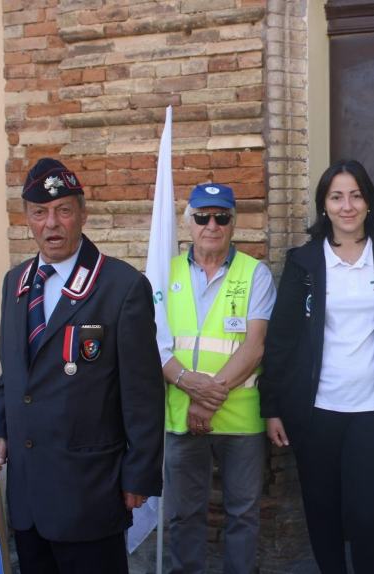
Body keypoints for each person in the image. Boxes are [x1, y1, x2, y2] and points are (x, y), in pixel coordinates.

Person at [0, 157, 164, 574]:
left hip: (90, 491)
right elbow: (15, 375)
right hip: (28, 492)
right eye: (40, 213)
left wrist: (139, 476)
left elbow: (143, 393)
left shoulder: (122, 287)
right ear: (28, 219)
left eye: (63, 211)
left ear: (82, 215)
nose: (51, 224)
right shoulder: (15, 284)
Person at [259, 159, 374, 573]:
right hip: (316, 412)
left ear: (369, 203)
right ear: (324, 206)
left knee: (368, 514)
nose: (346, 205)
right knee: (322, 510)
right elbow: (281, 338)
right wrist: (272, 406)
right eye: (336, 197)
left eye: (355, 195)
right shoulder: (304, 262)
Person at [158, 183, 276, 574]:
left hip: (239, 421)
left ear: (233, 222)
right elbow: (151, 345)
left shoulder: (254, 273)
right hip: (179, 418)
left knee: (242, 516)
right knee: (183, 516)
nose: (212, 225)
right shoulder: (164, 273)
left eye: (221, 216)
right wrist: (189, 387)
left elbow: (254, 347)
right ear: (187, 221)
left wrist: (205, 400)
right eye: (202, 216)